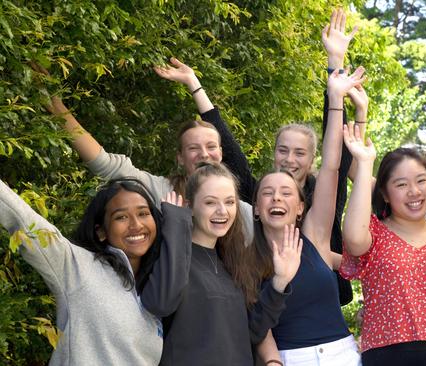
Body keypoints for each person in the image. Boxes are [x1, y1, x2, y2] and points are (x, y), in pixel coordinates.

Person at [152, 8, 362, 305]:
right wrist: (194, 85)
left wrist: (335, 65)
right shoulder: (261, 197)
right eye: (283, 150)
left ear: (313, 158)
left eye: (299, 153)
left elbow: (334, 148)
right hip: (270, 299)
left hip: (318, 300)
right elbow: (229, 150)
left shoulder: (325, 194)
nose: (289, 159)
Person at [34, 63, 254, 241]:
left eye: (211, 147)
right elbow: (105, 164)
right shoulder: (161, 191)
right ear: (180, 157)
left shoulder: (240, 209)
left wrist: (193, 83)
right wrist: (56, 107)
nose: (204, 154)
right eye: (193, 148)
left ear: (221, 153)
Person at [0, 177, 191, 365]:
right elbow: (24, 220)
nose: (136, 225)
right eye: (121, 217)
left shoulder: (156, 289)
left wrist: (177, 223)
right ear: (101, 231)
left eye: (143, 213)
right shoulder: (77, 266)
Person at [251, 67, 364, 366]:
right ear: (255, 207)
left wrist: (336, 98)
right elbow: (257, 324)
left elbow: (330, 164)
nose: (277, 197)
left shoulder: (315, 234)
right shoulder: (246, 252)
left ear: (301, 207)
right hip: (289, 359)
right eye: (268, 193)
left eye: (287, 193)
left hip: (342, 355)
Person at [139, 163, 301, 365]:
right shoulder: (172, 254)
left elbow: (250, 334)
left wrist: (280, 282)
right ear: (189, 207)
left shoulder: (232, 263)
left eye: (230, 202)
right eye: (210, 203)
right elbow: (160, 303)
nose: (222, 211)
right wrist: (175, 226)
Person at [341, 123, 426, 365]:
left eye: (421, 181)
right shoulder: (374, 234)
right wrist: (364, 163)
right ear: (384, 193)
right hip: (386, 354)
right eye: (401, 185)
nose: (414, 191)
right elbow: (353, 240)